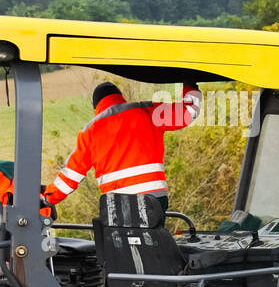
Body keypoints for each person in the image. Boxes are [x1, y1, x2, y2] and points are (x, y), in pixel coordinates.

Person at [44, 80, 202, 213]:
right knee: (154, 242)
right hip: (154, 198)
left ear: (96, 108)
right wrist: (189, 83)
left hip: (117, 204)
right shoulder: (147, 111)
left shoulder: (90, 131)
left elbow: (70, 177)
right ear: (120, 97)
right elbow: (187, 112)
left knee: (124, 247)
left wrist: (47, 198)